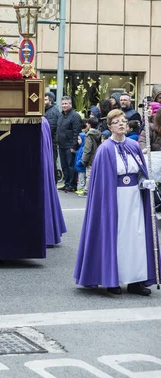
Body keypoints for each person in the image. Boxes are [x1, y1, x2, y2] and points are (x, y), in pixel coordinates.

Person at [74, 109, 160, 296]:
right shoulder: (105, 150)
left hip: (135, 199)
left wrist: (145, 182)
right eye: (117, 122)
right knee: (117, 237)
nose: (121, 124)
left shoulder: (133, 146)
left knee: (135, 237)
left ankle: (135, 281)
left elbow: (139, 171)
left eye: (123, 121)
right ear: (110, 126)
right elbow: (102, 183)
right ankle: (112, 279)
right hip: (114, 200)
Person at [56, 96, 82, 192]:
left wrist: (74, 146)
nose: (64, 105)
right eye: (63, 104)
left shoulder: (75, 116)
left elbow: (76, 132)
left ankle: (72, 184)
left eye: (66, 103)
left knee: (71, 166)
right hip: (61, 145)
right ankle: (66, 183)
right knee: (64, 166)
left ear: (70, 104)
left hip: (70, 145)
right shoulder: (60, 115)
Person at [79, 116, 101, 197]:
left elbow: (88, 148)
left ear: (89, 125)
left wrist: (84, 159)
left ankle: (87, 191)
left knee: (89, 175)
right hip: (97, 157)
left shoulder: (89, 135)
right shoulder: (99, 133)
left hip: (91, 158)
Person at [44, 91, 60, 183]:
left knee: (51, 161)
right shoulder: (49, 110)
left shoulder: (52, 112)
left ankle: (52, 181)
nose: (44, 101)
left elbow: (50, 128)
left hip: (51, 141)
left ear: (50, 100)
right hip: (51, 140)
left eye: (46, 100)